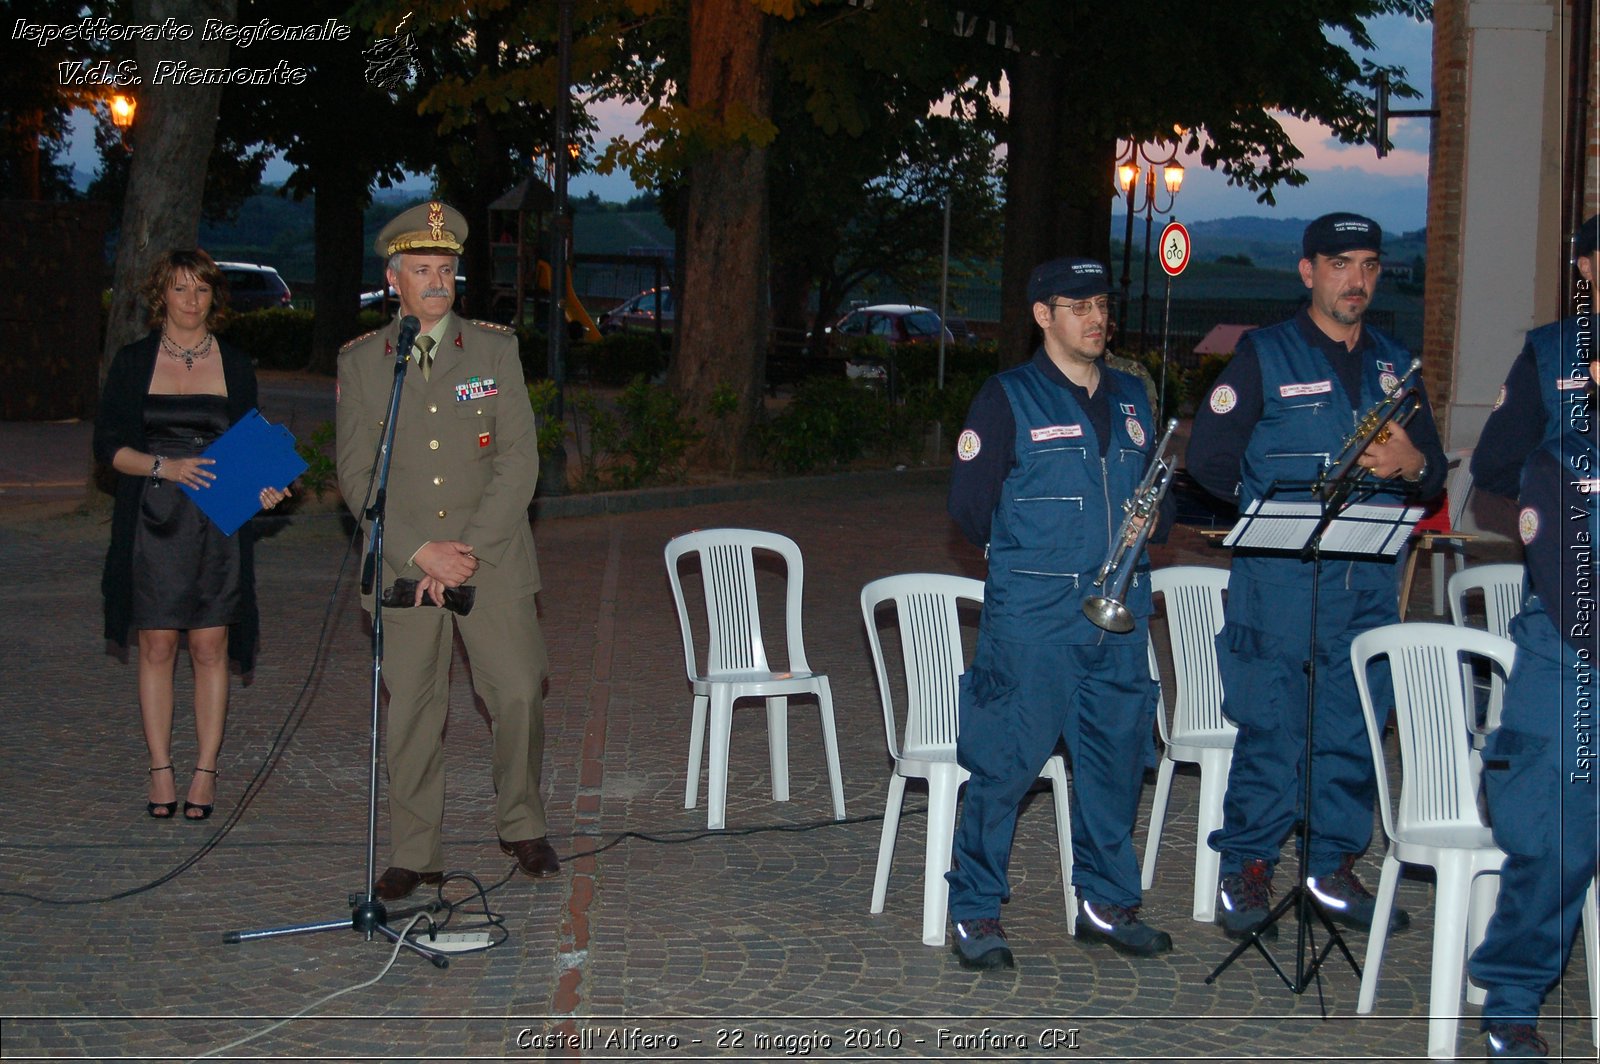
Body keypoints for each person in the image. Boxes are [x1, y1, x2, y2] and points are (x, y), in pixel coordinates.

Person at [1187, 212, 1447, 939]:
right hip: (1279, 580)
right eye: (1340, 265)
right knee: (1271, 725)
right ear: (1308, 272)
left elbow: (1432, 476)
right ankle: (1248, 866)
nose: (1356, 280)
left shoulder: (1397, 364)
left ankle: (1331, 864)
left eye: (1368, 265)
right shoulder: (1263, 354)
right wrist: (1269, 505)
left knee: (1352, 725)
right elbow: (1207, 459)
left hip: (1363, 584)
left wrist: (1413, 466)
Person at [945, 256, 1175, 969]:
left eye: (1102, 304)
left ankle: (1106, 902)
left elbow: (1157, 501)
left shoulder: (1135, 396)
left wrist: (1151, 527)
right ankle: (976, 912)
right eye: (1079, 306)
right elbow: (969, 510)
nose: (1096, 317)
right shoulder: (1006, 397)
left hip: (1120, 614)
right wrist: (1037, 558)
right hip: (1035, 621)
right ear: (1043, 316)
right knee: (1004, 766)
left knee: (1114, 766)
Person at [336, 201, 558, 901]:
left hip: (488, 559)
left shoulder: (494, 351)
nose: (437, 282)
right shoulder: (366, 363)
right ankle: (414, 851)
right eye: (423, 270)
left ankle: (521, 821)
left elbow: (519, 461)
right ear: (394, 278)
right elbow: (354, 476)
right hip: (406, 562)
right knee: (412, 711)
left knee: (519, 690)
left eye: (447, 270)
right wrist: (418, 552)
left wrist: (466, 550)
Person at [1466, 214, 1599, 1060]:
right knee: (1555, 830)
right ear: (1586, 265)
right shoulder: (1552, 356)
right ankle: (1512, 994)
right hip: (1568, 632)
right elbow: (1494, 470)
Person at [95, 249, 289, 821]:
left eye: (201, 291)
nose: (191, 301)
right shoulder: (133, 362)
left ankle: (206, 770)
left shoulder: (235, 363)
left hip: (216, 524)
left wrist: (265, 489)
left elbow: (252, 449)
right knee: (156, 645)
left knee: (210, 647)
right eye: (180, 290)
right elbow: (108, 449)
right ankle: (160, 768)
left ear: (214, 298)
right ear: (162, 296)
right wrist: (167, 467)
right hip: (151, 519)